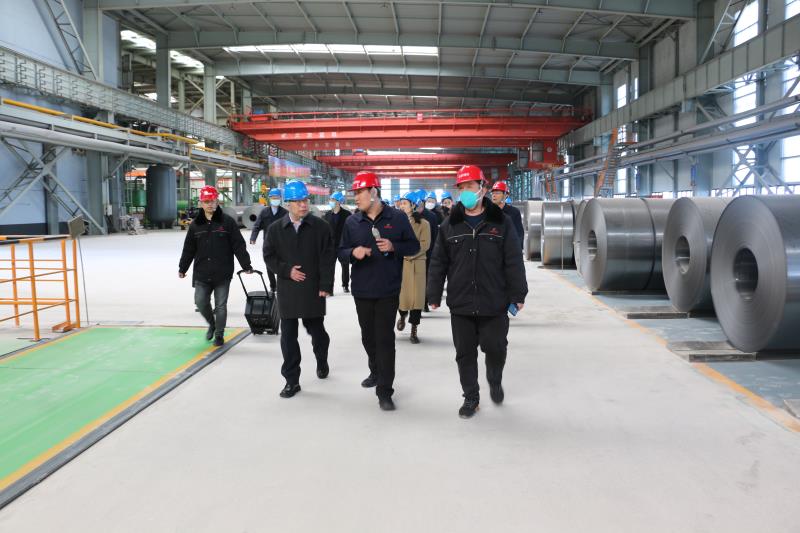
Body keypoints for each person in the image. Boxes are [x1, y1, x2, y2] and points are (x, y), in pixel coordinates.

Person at [427, 166, 528, 419]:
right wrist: (433, 293)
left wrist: (518, 294)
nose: (465, 192)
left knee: (495, 347)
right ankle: (471, 397)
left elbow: (513, 260)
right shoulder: (449, 224)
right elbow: (438, 261)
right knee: (464, 353)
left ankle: (494, 378)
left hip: (494, 300)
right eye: (461, 188)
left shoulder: (501, 222)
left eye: (470, 186)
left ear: (482, 188)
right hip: (461, 301)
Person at [338, 171, 420, 411]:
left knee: (385, 339)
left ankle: (385, 390)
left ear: (373, 192)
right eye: (354, 193)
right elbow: (340, 251)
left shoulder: (397, 217)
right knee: (368, 337)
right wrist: (353, 253)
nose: (355, 198)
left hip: (388, 289)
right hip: (362, 290)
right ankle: (375, 370)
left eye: (359, 192)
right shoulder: (352, 222)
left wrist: (394, 246)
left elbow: (413, 246)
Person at [263, 181, 336, 398]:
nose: (303, 205)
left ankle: (322, 359)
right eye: (298, 202)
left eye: (305, 200)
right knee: (288, 337)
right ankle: (291, 380)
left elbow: (328, 257)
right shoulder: (275, 229)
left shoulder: (321, 227)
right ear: (288, 204)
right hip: (288, 289)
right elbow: (269, 256)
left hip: (313, 288)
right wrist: (287, 271)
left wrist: (326, 285)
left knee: (317, 332)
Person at [179, 185, 253, 347]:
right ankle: (212, 324)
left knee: (221, 306)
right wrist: (183, 268)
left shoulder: (227, 222)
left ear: (217, 202)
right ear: (201, 203)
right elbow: (189, 248)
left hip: (222, 272)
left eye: (212, 201)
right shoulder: (195, 225)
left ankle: (219, 334)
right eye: (206, 201)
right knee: (200, 302)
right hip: (202, 272)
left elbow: (238, 245)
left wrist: (246, 265)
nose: (210, 204)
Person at [396, 191, 431, 344]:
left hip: (417, 264)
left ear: (413, 205)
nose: (402, 206)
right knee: (402, 297)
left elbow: (425, 244)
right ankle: (402, 315)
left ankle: (414, 329)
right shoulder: (397, 222)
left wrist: (409, 255)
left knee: (417, 299)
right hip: (401, 264)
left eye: (405, 203)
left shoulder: (424, 224)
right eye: (401, 203)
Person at [250, 187, 287, 292]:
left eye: (277, 197)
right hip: (268, 243)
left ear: (280, 198)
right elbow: (257, 225)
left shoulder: (284, 213)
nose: (275, 199)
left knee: (281, 264)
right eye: (273, 197)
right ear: (270, 198)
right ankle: (273, 286)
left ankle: (281, 285)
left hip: (281, 243)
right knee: (269, 265)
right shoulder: (264, 212)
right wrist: (253, 237)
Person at [323, 191, 352, 293]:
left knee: (345, 266)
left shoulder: (347, 215)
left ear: (339, 201)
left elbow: (350, 230)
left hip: (343, 244)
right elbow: (324, 231)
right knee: (330, 267)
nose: (331, 201)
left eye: (333, 200)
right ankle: (330, 287)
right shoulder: (327, 215)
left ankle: (345, 285)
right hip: (331, 245)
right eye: (330, 199)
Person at [415, 189, 439, 312]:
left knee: (425, 279)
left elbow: (435, 236)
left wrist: (434, 252)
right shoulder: (409, 216)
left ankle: (423, 302)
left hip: (428, 253)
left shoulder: (432, 216)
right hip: (413, 253)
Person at [491, 181, 525, 249]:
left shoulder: (514, 212)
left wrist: (517, 250)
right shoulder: (488, 212)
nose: (494, 195)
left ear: (505, 195)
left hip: (508, 249)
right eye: (493, 193)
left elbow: (519, 234)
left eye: (497, 193)